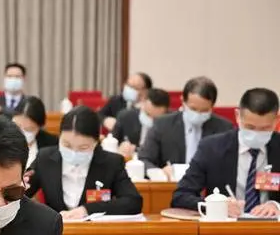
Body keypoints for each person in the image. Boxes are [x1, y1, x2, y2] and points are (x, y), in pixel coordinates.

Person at [171, 88, 280, 218]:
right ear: (237, 116)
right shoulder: (211, 148)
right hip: (225, 225)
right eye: (250, 127)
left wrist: (276, 205)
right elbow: (180, 196)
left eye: (265, 128)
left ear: (276, 120)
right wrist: (215, 206)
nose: (256, 134)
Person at [26, 106, 142, 219]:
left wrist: (87, 209)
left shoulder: (111, 163)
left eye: (83, 147)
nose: (74, 152)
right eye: (67, 145)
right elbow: (22, 191)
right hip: (54, 229)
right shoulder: (45, 158)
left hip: (92, 230)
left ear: (96, 142)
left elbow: (133, 201)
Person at [139, 77, 234, 180]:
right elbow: (144, 159)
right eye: (193, 109)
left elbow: (230, 165)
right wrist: (160, 173)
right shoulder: (163, 124)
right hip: (171, 184)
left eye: (204, 110)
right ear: (183, 101)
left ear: (212, 106)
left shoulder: (224, 128)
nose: (198, 114)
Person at [113, 88, 170, 158]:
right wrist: (121, 147)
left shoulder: (171, 122)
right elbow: (113, 141)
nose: (151, 119)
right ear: (144, 102)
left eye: (156, 118)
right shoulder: (125, 116)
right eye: (148, 115)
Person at [12, 96, 58, 168]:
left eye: (28, 129)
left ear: (40, 127)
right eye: (17, 127)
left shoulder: (52, 144)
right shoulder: (0, 139)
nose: (21, 133)